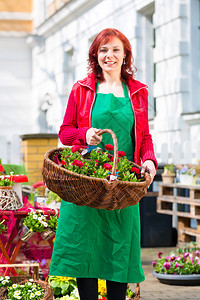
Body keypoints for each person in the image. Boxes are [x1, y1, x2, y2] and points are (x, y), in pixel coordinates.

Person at [49, 28, 157, 300]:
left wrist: (149, 160)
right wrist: (82, 134)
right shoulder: (82, 88)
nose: (109, 55)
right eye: (103, 50)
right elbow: (65, 132)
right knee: (85, 251)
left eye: (115, 50)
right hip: (86, 184)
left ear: (125, 55)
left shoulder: (138, 92)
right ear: (95, 55)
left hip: (122, 185)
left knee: (118, 252)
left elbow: (144, 136)